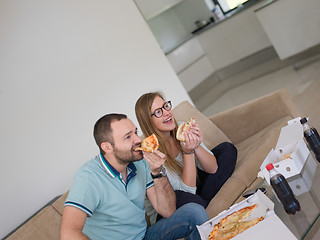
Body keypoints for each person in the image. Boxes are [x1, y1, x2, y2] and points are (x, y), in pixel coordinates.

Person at [60, 113, 209, 240]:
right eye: (127, 137)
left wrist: (158, 172)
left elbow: (167, 210)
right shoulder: (89, 177)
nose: (138, 140)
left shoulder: (140, 162)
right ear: (107, 147)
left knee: (195, 212)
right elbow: (68, 233)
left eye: (135, 132)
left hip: (144, 236)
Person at [135, 92, 237, 217]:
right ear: (148, 122)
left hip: (194, 189)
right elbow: (186, 193)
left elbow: (213, 169)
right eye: (158, 112)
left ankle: (202, 204)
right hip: (173, 204)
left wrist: (196, 145)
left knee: (227, 150)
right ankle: (200, 205)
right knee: (182, 197)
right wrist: (188, 152)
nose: (167, 112)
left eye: (165, 106)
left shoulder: (182, 127)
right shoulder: (151, 153)